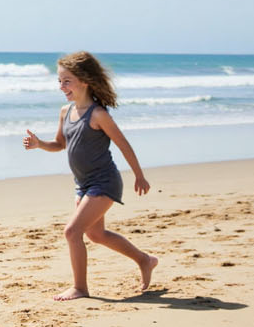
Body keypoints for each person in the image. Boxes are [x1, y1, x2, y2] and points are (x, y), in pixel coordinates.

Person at [22, 50, 159, 301]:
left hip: (104, 182)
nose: (62, 87)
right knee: (96, 235)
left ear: (84, 80)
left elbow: (123, 145)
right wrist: (40, 144)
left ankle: (80, 288)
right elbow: (60, 144)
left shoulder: (98, 114)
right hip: (83, 184)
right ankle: (145, 260)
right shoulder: (66, 112)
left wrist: (139, 175)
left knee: (72, 232)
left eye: (67, 81)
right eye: (59, 81)